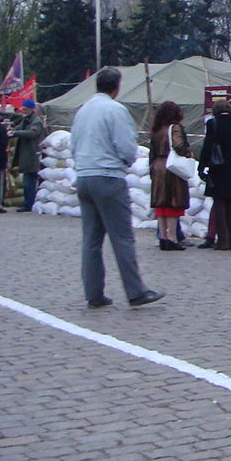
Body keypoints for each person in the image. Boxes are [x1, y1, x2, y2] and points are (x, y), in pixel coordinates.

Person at [70, 67, 163, 308]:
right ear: (116, 87)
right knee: (122, 238)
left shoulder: (82, 111)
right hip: (108, 177)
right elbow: (126, 148)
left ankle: (94, 293)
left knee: (91, 239)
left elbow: (73, 146)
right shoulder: (115, 110)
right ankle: (136, 291)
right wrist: (127, 161)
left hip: (84, 175)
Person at [198, 98, 231, 250]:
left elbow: (207, 147)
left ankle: (222, 241)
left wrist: (202, 166)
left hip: (217, 167)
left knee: (219, 203)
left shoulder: (212, 124)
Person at [149, 101, 192, 251]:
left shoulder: (156, 129)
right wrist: (188, 153)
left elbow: (151, 151)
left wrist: (152, 169)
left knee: (161, 203)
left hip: (158, 165)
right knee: (174, 202)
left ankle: (163, 237)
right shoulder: (175, 128)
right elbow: (179, 145)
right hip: (172, 167)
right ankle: (173, 238)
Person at [11, 98, 45, 212]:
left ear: (31, 109)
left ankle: (29, 203)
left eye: (25, 109)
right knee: (27, 181)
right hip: (26, 154)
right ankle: (27, 202)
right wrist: (11, 129)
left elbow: (32, 133)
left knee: (29, 182)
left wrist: (16, 133)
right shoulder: (26, 120)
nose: (23, 111)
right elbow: (18, 128)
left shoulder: (36, 121)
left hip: (32, 154)